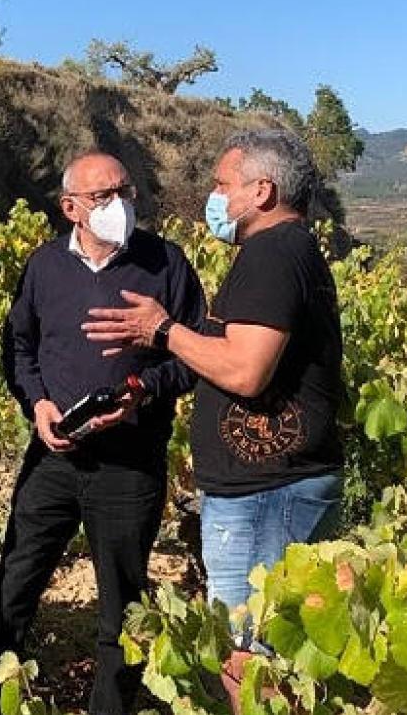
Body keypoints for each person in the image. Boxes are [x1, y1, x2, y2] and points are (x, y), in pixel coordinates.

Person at [82, 129, 346, 694]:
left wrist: (163, 330)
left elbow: (245, 371)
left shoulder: (273, 254)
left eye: (224, 185)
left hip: (266, 495)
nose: (216, 197)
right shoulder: (292, 250)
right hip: (277, 488)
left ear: (263, 191)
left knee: (252, 665)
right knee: (272, 660)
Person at [0, 151, 206, 715]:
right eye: (101, 197)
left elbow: (194, 358)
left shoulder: (166, 263)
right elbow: (18, 348)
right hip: (52, 459)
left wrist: (142, 389)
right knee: (14, 585)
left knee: (122, 605)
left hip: (130, 464)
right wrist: (37, 404)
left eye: (125, 192)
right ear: (70, 208)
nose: (118, 204)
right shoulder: (45, 267)